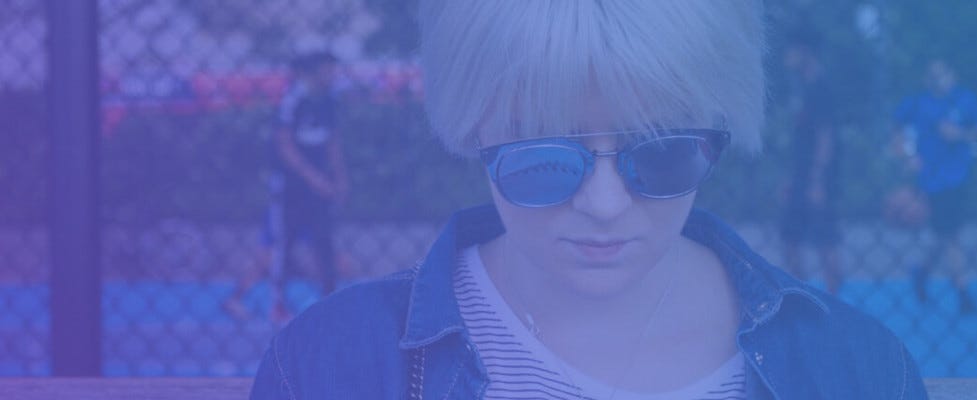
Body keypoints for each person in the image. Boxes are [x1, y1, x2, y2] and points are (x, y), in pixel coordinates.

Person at [252, 2, 926, 399]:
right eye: (543, 160)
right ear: (475, 128)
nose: (605, 205)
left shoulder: (856, 369)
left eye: (662, 152)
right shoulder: (330, 366)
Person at [225, 52, 350, 323]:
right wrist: (314, 178)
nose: (333, 75)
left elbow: (333, 142)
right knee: (279, 246)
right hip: (290, 190)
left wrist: (339, 178)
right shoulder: (293, 100)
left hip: (318, 191)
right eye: (328, 70)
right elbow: (284, 145)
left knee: (323, 244)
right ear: (313, 72)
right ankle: (274, 304)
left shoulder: (329, 102)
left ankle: (330, 302)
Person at [892, 59, 977, 314]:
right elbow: (897, 129)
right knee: (951, 234)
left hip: (959, 177)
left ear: (952, 75)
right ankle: (963, 293)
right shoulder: (918, 103)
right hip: (932, 180)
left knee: (943, 235)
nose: (937, 80)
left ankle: (922, 272)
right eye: (932, 75)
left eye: (942, 74)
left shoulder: (965, 100)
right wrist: (907, 157)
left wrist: (960, 134)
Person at [777, 30, 843, 296]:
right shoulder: (802, 88)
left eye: (792, 50)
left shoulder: (821, 88)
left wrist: (818, 180)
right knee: (790, 237)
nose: (787, 56)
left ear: (805, 51)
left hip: (817, 178)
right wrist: (791, 177)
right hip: (801, 175)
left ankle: (834, 298)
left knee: (826, 240)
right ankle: (803, 295)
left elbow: (826, 137)